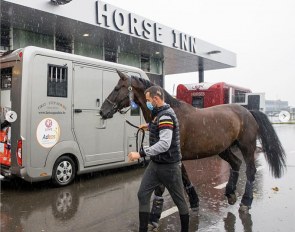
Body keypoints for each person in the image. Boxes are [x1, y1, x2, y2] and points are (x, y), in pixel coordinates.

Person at [128, 86, 189, 232]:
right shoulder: (159, 113)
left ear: (156, 99)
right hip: (155, 165)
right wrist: (149, 126)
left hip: (170, 167)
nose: (147, 103)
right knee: (142, 194)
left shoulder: (166, 115)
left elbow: (164, 144)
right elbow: (160, 125)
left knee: (179, 201)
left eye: (149, 100)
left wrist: (141, 153)